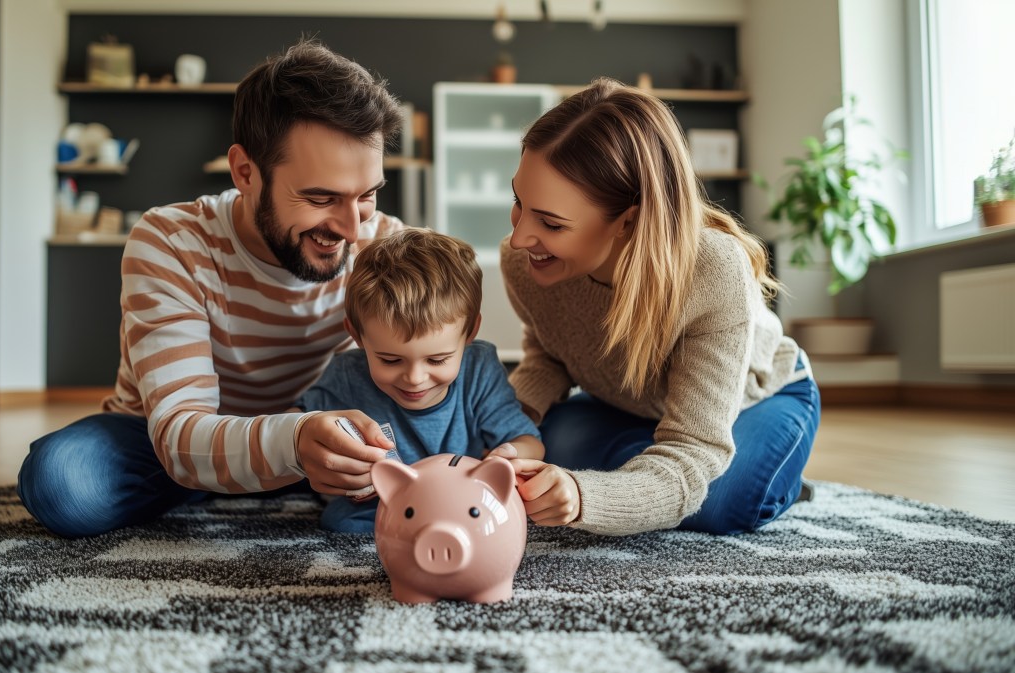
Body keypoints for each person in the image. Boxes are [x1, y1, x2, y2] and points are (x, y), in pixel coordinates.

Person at [18, 39, 409, 538]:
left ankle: (299, 471)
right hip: (168, 440)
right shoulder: (171, 242)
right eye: (320, 197)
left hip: (317, 428)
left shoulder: (384, 245)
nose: (352, 229)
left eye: (367, 195)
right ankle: (273, 473)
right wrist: (293, 443)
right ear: (246, 172)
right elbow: (180, 432)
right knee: (63, 482)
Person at [500, 78, 820, 536]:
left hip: (756, 399)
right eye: (518, 201)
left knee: (719, 504)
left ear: (628, 221)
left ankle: (774, 476)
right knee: (541, 451)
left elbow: (693, 448)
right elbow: (550, 355)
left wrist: (584, 496)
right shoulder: (523, 264)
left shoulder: (713, 271)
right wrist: (510, 427)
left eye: (550, 223)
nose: (519, 238)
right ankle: (649, 470)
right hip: (629, 403)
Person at [291, 228, 544, 533]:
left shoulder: (479, 369)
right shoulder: (347, 375)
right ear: (357, 335)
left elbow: (531, 443)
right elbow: (295, 428)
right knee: (339, 520)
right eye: (390, 360)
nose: (414, 379)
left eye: (437, 360)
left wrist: (506, 457)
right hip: (381, 502)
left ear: (470, 332)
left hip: (461, 501)